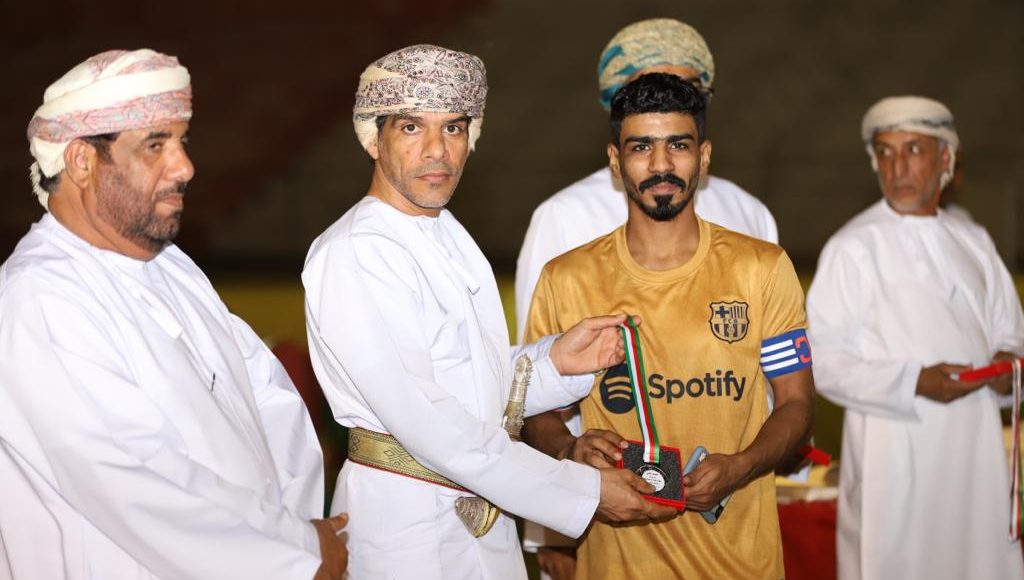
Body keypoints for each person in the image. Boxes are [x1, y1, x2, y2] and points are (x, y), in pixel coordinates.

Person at [301, 44, 674, 580]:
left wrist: (553, 363)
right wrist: (583, 491)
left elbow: (467, 382)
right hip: (406, 528)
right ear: (372, 138)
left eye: (454, 128)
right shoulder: (356, 250)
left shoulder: (445, 234)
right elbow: (430, 420)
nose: (437, 150)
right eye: (412, 127)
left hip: (484, 513)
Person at [0, 49, 348, 579]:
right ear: (82, 161)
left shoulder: (170, 267)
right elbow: (133, 482)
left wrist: (298, 531)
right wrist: (294, 553)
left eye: (182, 142)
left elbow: (271, 405)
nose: (185, 167)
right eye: (155, 145)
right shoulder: (39, 298)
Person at [521, 73, 815, 580]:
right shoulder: (566, 278)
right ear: (615, 162)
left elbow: (797, 404)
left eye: (678, 145)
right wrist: (568, 449)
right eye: (641, 147)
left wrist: (740, 466)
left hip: (740, 563)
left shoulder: (761, 268)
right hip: (616, 565)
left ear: (704, 156)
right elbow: (534, 410)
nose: (660, 165)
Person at [807, 96, 1024, 580]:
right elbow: (822, 360)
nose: (897, 167)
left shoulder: (975, 241)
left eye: (913, 150)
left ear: (945, 159)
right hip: (894, 459)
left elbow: (1012, 334)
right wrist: (915, 382)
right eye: (885, 153)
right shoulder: (852, 247)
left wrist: (1006, 370)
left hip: (974, 457)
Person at [514, 17, 778, 341]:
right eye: (651, 88)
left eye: (688, 88)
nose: (670, 99)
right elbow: (538, 356)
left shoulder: (748, 212)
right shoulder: (564, 215)